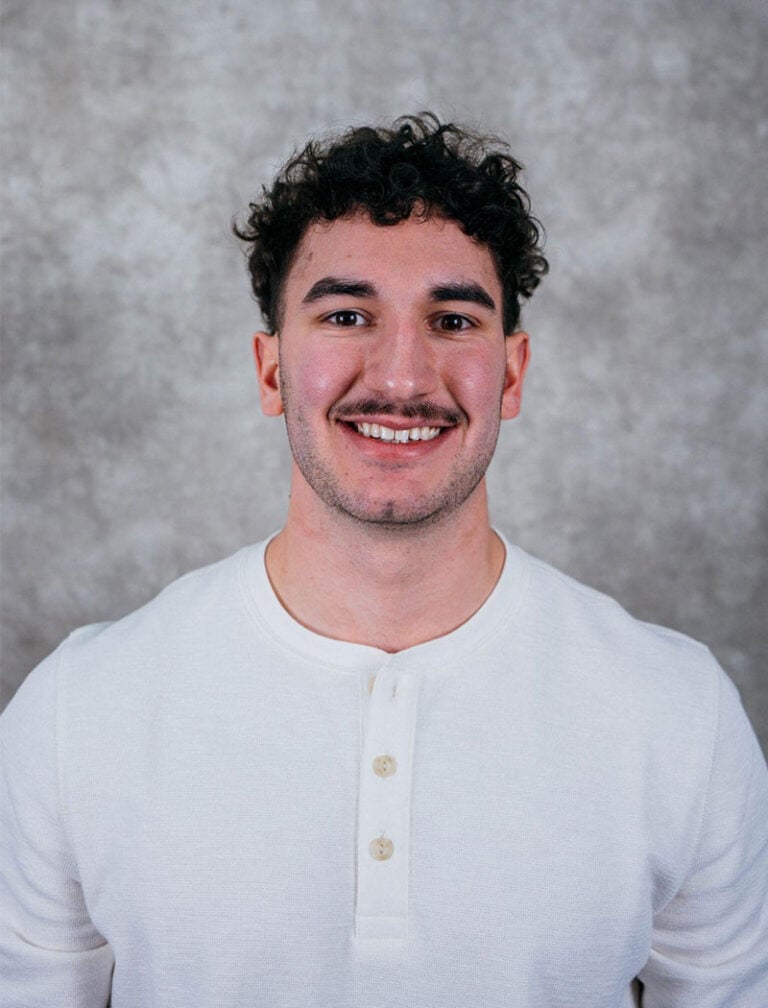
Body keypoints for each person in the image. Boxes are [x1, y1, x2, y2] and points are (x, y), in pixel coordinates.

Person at [1, 113, 766, 1008]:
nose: (402, 377)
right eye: (346, 314)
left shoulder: (680, 714)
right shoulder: (76, 712)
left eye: (450, 318)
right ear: (271, 370)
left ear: (510, 376)